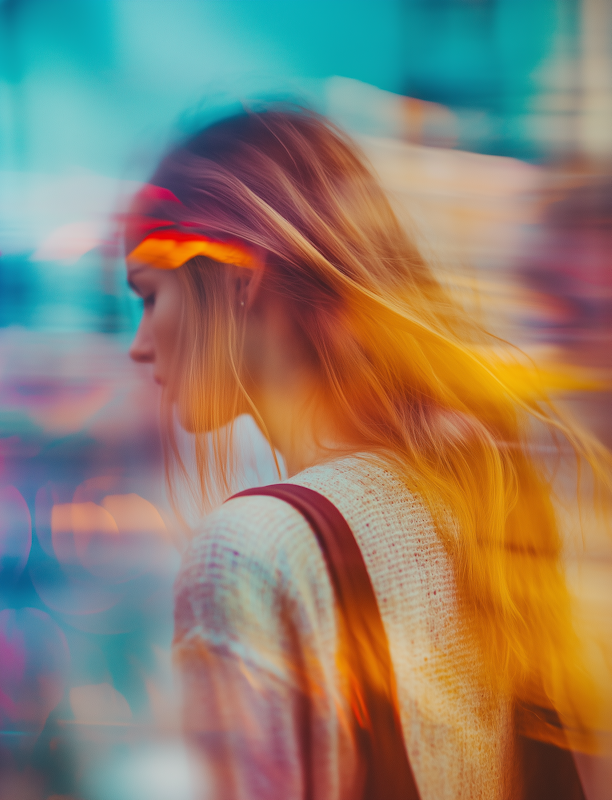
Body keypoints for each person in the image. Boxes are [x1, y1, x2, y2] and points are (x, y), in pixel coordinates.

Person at [125, 108, 606, 799]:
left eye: (149, 296)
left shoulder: (250, 551)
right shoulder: (474, 490)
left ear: (238, 282)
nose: (140, 345)